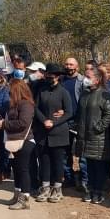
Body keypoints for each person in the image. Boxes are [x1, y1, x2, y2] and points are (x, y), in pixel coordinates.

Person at [34, 63, 75, 203]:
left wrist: (54, 122)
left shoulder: (63, 92)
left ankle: (57, 189)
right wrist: (44, 120)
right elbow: (35, 108)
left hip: (58, 132)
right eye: (47, 76)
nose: (49, 78)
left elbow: (69, 112)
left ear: (57, 77)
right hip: (43, 132)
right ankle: (45, 187)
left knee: (58, 162)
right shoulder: (41, 90)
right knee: (44, 161)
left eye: (51, 76)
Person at [75, 68, 110, 204]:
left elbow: (109, 113)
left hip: (98, 137)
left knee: (98, 166)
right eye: (85, 76)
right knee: (88, 165)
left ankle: (99, 191)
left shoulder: (104, 94)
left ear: (97, 80)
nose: (85, 78)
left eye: (88, 76)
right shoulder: (84, 94)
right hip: (84, 136)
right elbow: (79, 113)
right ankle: (90, 190)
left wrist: (100, 127)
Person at [4, 79, 37, 210]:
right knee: (16, 170)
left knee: (23, 170)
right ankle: (17, 195)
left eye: (11, 89)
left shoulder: (26, 104)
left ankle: (25, 199)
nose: (9, 92)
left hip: (24, 141)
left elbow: (23, 122)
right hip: (14, 140)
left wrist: (4, 124)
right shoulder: (14, 104)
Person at [61, 57, 82, 187]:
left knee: (82, 153)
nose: (69, 66)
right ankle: (69, 178)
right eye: (67, 64)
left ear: (77, 67)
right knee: (65, 152)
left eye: (71, 64)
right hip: (64, 121)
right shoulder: (61, 81)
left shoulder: (83, 81)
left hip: (79, 121)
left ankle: (83, 179)